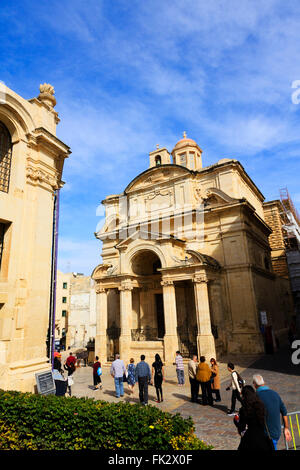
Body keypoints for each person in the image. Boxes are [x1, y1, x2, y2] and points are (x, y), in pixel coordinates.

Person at [253, 374, 292, 450]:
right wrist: (286, 428)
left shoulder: (256, 397)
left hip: (265, 435)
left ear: (254, 384)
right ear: (263, 382)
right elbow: (284, 411)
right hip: (276, 433)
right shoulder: (275, 394)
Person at [233, 385, 275, 451]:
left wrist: (235, 421)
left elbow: (242, 427)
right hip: (262, 438)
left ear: (244, 396)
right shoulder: (261, 406)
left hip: (250, 439)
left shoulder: (244, 409)